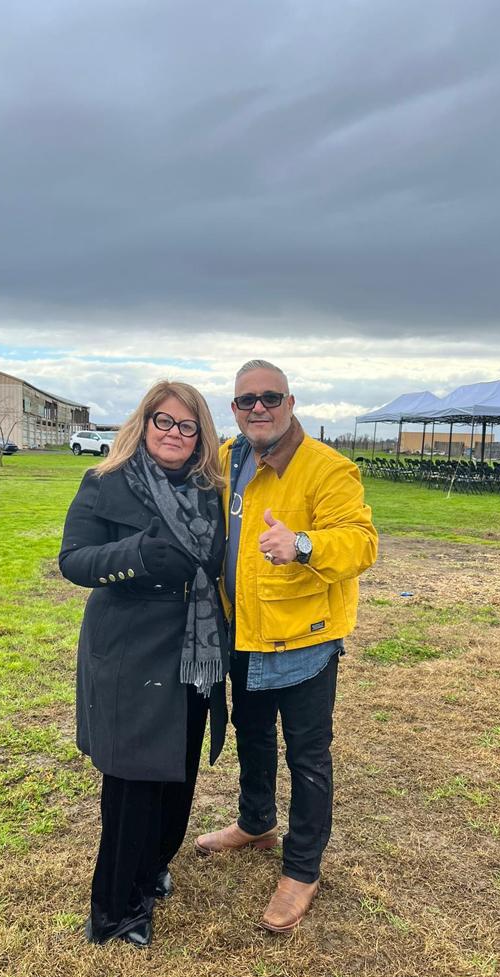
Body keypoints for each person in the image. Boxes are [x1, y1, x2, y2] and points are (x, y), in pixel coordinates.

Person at [196, 359, 378, 932]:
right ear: (233, 409)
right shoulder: (227, 457)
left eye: (270, 398)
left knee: (307, 756)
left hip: (304, 640)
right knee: (251, 735)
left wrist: (302, 544)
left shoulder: (327, 468)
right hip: (244, 630)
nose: (259, 408)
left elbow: (361, 543)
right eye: (246, 400)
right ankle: (256, 822)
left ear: (290, 403)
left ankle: (301, 870)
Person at [59, 382, 228, 947]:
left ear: (200, 436)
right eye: (164, 421)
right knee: (133, 781)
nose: (174, 433)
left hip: (195, 650)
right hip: (130, 647)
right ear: (144, 422)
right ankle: (115, 910)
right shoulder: (106, 481)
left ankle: (153, 867)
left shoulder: (210, 491)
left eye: (187, 426)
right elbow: (74, 560)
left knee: (178, 771)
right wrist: (134, 555)